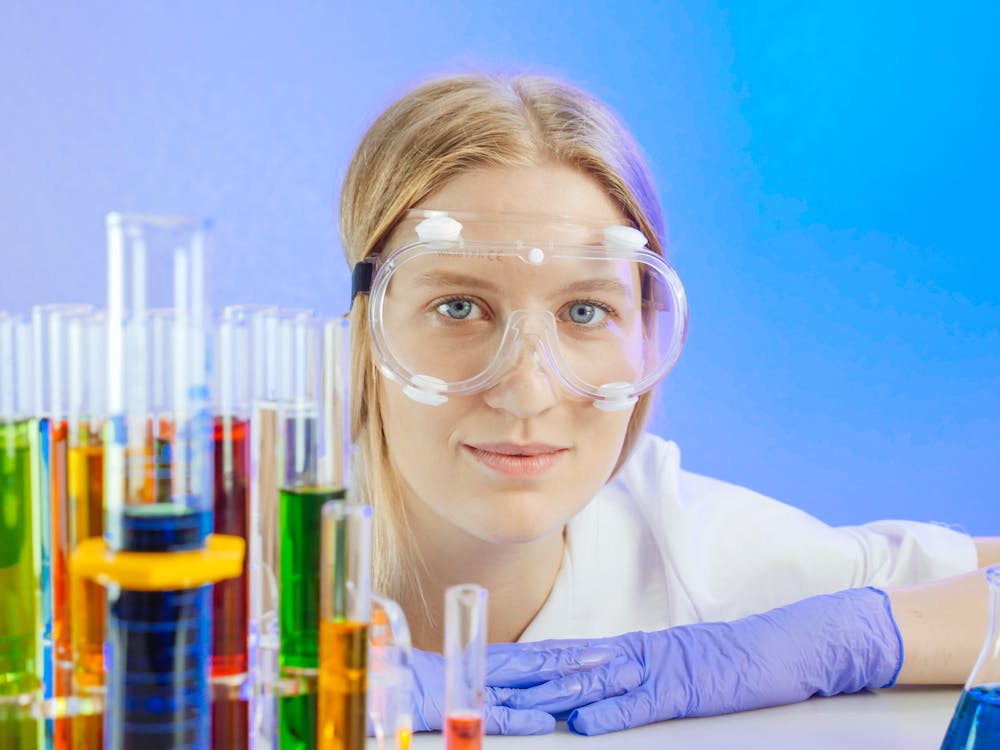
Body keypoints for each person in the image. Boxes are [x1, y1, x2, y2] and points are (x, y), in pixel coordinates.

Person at [340, 72, 999, 735]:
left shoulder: (686, 548)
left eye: (585, 310)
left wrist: (847, 638)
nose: (528, 391)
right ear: (364, 329)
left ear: (646, 330)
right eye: (459, 307)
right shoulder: (261, 531)